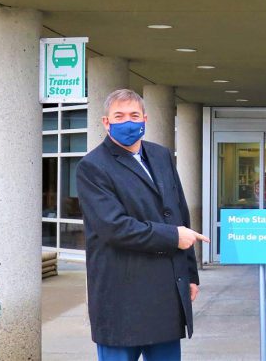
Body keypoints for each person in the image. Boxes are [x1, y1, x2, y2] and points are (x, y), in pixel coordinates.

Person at [76, 89, 209, 361]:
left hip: (165, 295)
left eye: (134, 115)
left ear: (145, 119)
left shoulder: (160, 156)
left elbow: (180, 215)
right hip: (121, 297)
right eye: (120, 116)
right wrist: (173, 237)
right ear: (106, 122)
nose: (128, 122)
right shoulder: (92, 167)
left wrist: (190, 275)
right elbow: (115, 227)